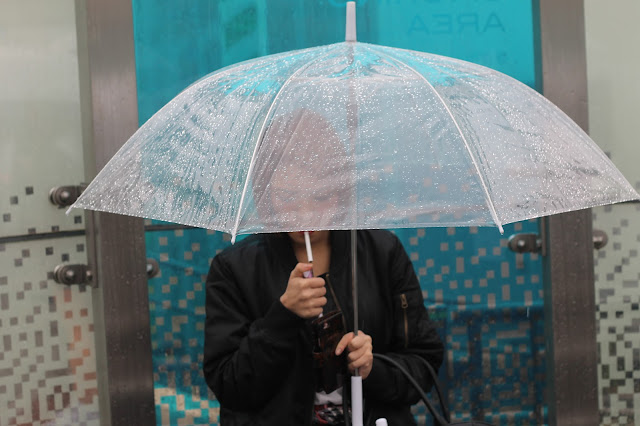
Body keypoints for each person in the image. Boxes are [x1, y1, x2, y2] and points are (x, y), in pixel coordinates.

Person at [202, 110, 444, 425]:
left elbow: (424, 363)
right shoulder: (235, 269)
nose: (305, 213)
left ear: (341, 192)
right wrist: (282, 317)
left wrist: (373, 367)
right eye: (288, 197)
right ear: (266, 193)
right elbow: (229, 385)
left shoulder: (382, 252)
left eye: (321, 197)